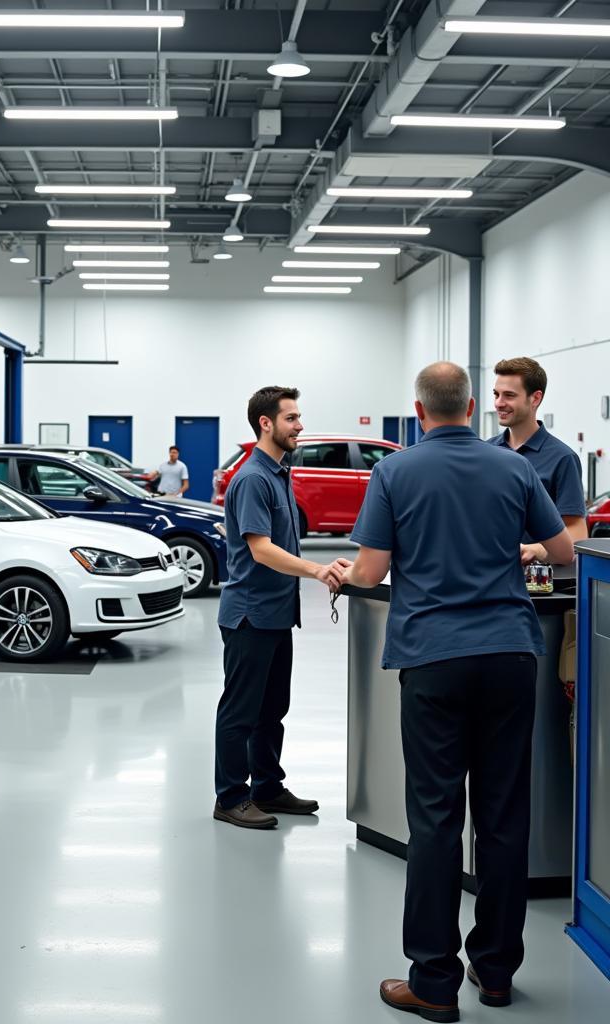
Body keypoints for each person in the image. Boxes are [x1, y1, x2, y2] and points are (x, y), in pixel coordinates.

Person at [341, 362, 574, 1021]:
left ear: (419, 412)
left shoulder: (395, 472)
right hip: (508, 655)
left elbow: (372, 568)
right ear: (472, 405)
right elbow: (561, 549)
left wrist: (345, 570)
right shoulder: (515, 468)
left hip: (434, 659)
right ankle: (496, 973)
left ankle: (435, 983)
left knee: (436, 820)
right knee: (503, 817)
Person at [213, 386, 350, 830]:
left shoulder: (279, 474)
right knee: (240, 711)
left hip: (275, 614)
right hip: (250, 614)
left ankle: (267, 786)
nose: (300, 425)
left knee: (273, 709)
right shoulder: (253, 478)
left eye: (298, 416)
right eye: (291, 418)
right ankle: (230, 797)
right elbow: (261, 550)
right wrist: (316, 570)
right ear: (266, 424)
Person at [488, 356, 588, 563]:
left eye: (509, 395)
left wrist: (535, 550)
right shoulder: (486, 451)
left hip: (536, 584)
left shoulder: (562, 458)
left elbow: (577, 533)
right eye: (496, 394)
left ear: (535, 399)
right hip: (487, 577)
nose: (499, 403)